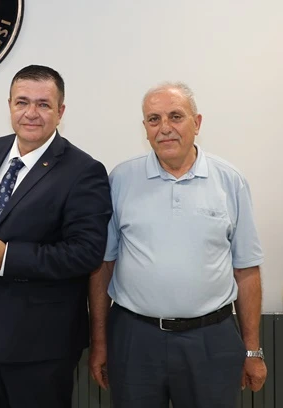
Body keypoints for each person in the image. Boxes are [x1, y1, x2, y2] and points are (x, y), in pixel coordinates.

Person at [0, 64, 112, 408]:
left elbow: (86, 252)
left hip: (39, 344)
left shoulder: (84, 171)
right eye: (22, 102)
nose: (31, 113)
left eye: (43, 104)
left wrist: (7, 258)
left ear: (61, 112)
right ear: (9, 105)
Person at [88, 82, 267, 407]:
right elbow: (103, 266)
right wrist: (99, 342)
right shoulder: (120, 180)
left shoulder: (229, 181)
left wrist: (252, 350)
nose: (165, 128)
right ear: (145, 128)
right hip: (135, 338)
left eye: (175, 116)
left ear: (196, 123)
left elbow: (247, 270)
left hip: (211, 339)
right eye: (153, 119)